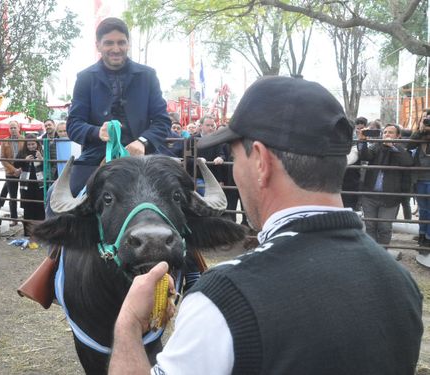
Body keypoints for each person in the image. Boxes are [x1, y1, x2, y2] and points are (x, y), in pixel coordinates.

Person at [109, 77, 423, 374]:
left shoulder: (221, 300)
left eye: (235, 156)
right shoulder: (400, 282)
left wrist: (128, 325)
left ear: (260, 161)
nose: (234, 172)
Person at [66, 17, 171, 195]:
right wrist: (97, 131)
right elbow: (74, 125)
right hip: (96, 157)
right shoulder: (85, 78)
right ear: (98, 45)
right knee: (57, 201)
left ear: (128, 43)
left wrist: (142, 142)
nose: (116, 49)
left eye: (121, 42)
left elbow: (162, 121)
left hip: (146, 156)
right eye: (108, 43)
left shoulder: (148, 75)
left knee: (187, 199)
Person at [359, 123, 413, 249]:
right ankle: (372, 253)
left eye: (390, 133)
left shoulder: (401, 148)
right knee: (370, 226)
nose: (387, 135)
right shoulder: (376, 146)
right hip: (370, 196)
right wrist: (362, 141)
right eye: (385, 132)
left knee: (384, 227)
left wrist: (392, 147)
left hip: (390, 197)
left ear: (398, 136)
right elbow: (365, 156)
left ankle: (382, 254)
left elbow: (407, 162)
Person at [14, 134, 45, 237]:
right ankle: (28, 233)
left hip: (39, 185)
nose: (31, 146)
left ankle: (40, 233)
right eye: (29, 145)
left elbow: (49, 166)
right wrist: (24, 160)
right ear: (26, 145)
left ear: (37, 143)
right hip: (26, 185)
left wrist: (42, 159)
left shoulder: (42, 151)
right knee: (27, 208)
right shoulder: (22, 153)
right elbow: (15, 164)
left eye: (33, 144)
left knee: (40, 208)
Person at [408, 109, 430, 247]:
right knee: (423, 210)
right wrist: (421, 130)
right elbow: (409, 145)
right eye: (425, 119)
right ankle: (422, 234)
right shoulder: (419, 135)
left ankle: (428, 237)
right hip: (420, 178)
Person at [0, 121, 23, 226]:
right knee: (12, 196)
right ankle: (14, 219)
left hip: (23, 170)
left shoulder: (24, 140)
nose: (13, 130)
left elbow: (28, 154)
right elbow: (3, 159)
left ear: (19, 128)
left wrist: (21, 169)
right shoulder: (5, 142)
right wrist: (14, 170)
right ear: (8, 129)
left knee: (20, 194)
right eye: (11, 128)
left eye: (14, 127)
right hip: (10, 172)